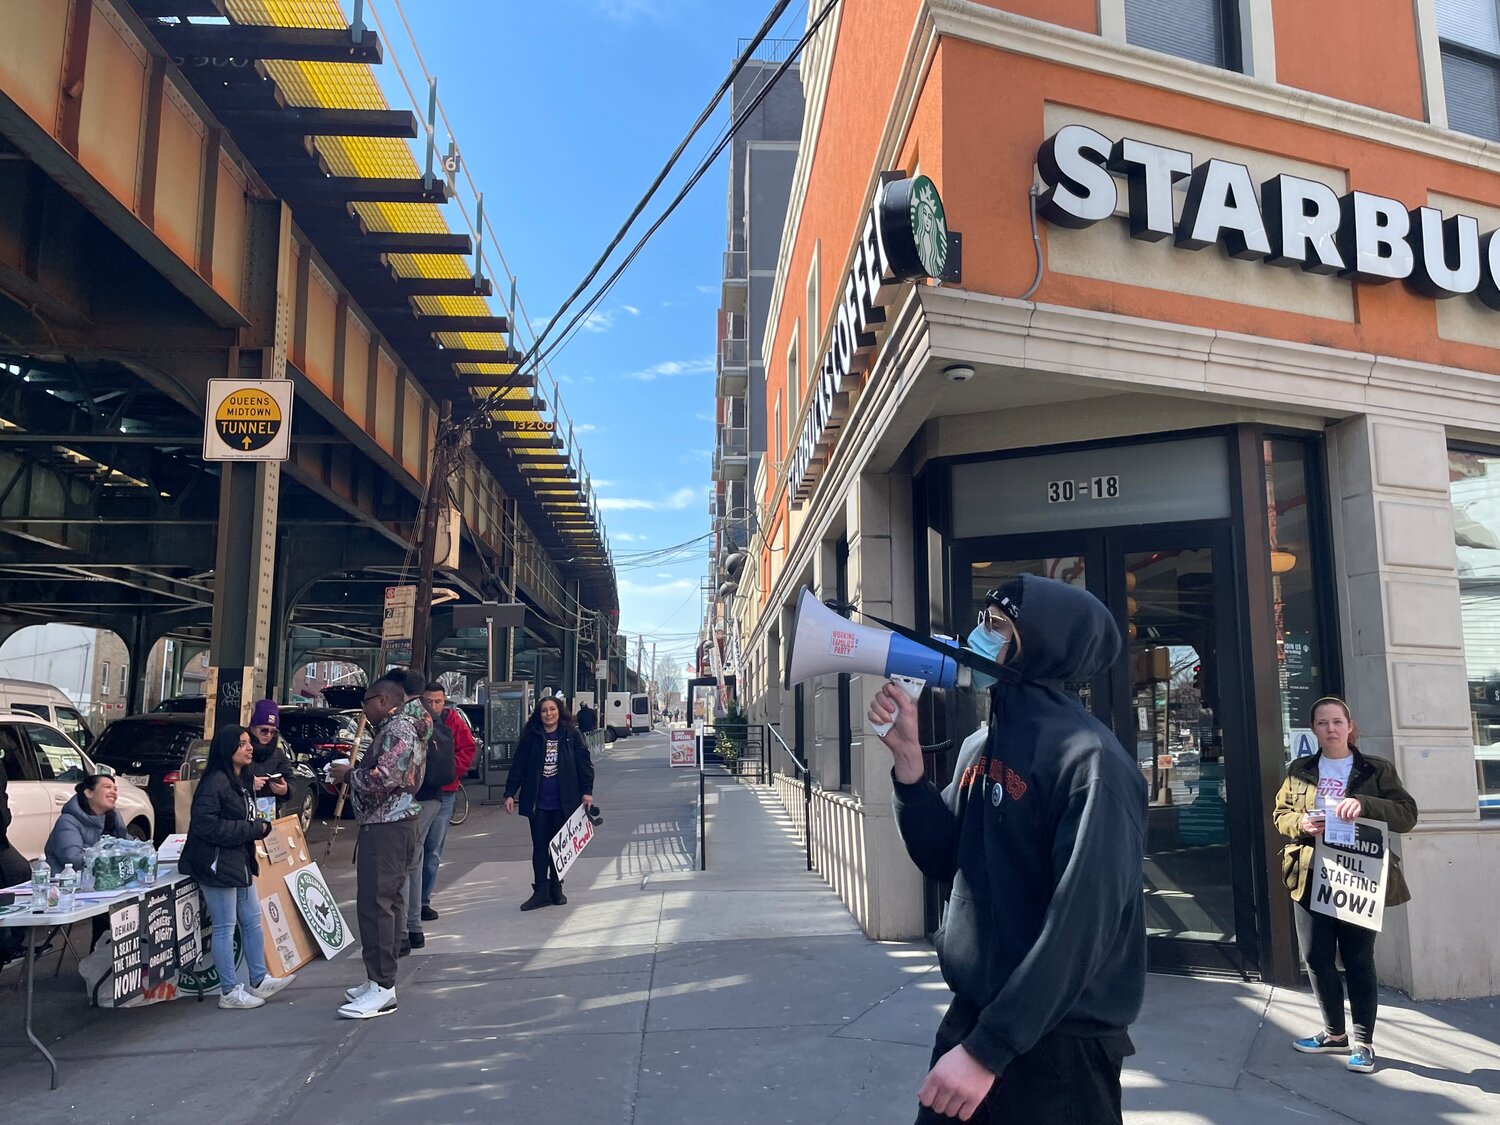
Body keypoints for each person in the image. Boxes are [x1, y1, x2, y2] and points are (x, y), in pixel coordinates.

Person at [872, 575, 1146, 1124]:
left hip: (1057, 1049)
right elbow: (942, 856)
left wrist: (987, 1051)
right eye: (982, 621)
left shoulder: (1091, 762)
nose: (977, 636)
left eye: (996, 625)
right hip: (978, 1020)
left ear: (1040, 644)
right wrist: (908, 764)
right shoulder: (982, 744)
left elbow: (1081, 925)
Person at [1273, 696, 1418, 1075]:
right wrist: (1301, 824)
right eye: (1322, 723)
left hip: (1359, 877)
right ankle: (1334, 1033)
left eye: (1337, 721)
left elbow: (1407, 815)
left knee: (1357, 959)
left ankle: (1363, 1042)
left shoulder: (1376, 769)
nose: (1331, 729)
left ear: (1350, 726)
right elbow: (1281, 814)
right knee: (1317, 958)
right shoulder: (1300, 769)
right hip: (1309, 873)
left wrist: (1364, 804)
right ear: (1314, 729)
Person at [178, 726, 297, 1011]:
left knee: (252, 919)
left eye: (249, 743)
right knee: (225, 926)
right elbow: (206, 826)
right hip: (216, 863)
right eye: (242, 743)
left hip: (239, 861)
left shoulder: (240, 779)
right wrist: (252, 829)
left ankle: (259, 978)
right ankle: (229, 991)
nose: (250, 748)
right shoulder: (215, 782)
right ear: (227, 748)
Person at [330, 673, 424, 1018]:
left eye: (366, 703)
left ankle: (383, 986)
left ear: (383, 700)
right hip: (391, 825)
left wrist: (348, 774)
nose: (363, 710)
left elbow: (385, 778)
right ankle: (377, 980)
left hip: (388, 826)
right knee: (387, 902)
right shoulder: (399, 727)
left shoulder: (397, 730)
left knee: (376, 904)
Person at [503, 696, 594, 911]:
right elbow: (519, 765)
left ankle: (557, 886)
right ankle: (541, 890)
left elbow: (584, 764)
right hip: (539, 802)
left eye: (552, 709)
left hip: (565, 801)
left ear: (559, 711)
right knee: (540, 848)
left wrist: (587, 792)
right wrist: (509, 793)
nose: (548, 714)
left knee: (559, 848)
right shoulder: (531, 736)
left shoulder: (571, 735)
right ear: (539, 714)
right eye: (544, 710)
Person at [412, 681, 475, 930]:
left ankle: (423, 900)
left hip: (445, 793)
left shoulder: (453, 722)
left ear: (444, 700)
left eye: (438, 701)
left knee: (432, 851)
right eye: (429, 701)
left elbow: (468, 748)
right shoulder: (414, 722)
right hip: (420, 793)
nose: (434, 706)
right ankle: (414, 902)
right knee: (415, 849)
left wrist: (448, 772)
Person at [45, 766, 129, 873]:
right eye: (107, 787)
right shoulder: (67, 821)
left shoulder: (114, 817)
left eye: (115, 789)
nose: (113, 792)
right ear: (89, 793)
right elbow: (72, 860)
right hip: (68, 884)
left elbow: (129, 845)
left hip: (105, 881)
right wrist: (114, 862)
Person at [246, 699, 292, 819]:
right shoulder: (240, 749)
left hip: (268, 812)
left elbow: (290, 779)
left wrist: (285, 789)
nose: (268, 735)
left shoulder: (278, 754)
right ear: (252, 728)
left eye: (273, 732)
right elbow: (225, 778)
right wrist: (247, 784)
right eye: (264, 730)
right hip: (242, 812)